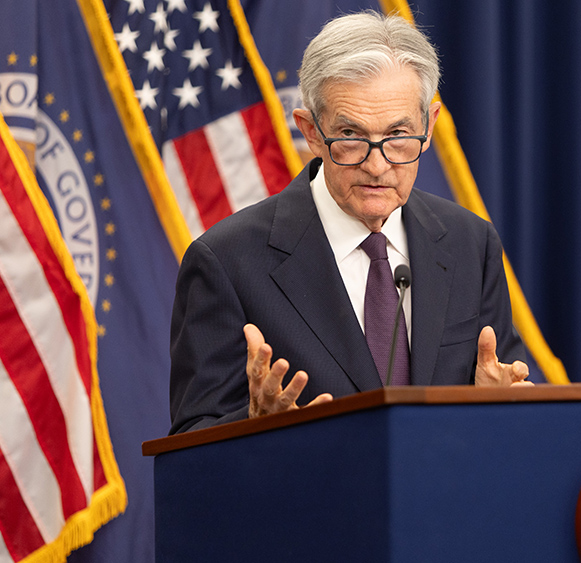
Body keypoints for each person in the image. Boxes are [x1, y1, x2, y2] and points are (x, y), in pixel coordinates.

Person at [169, 11, 530, 435]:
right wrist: (254, 427)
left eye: (398, 136)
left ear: (429, 127)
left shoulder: (470, 242)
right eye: (351, 137)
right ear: (311, 132)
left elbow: (504, 392)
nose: (377, 166)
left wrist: (496, 408)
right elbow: (190, 443)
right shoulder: (226, 262)